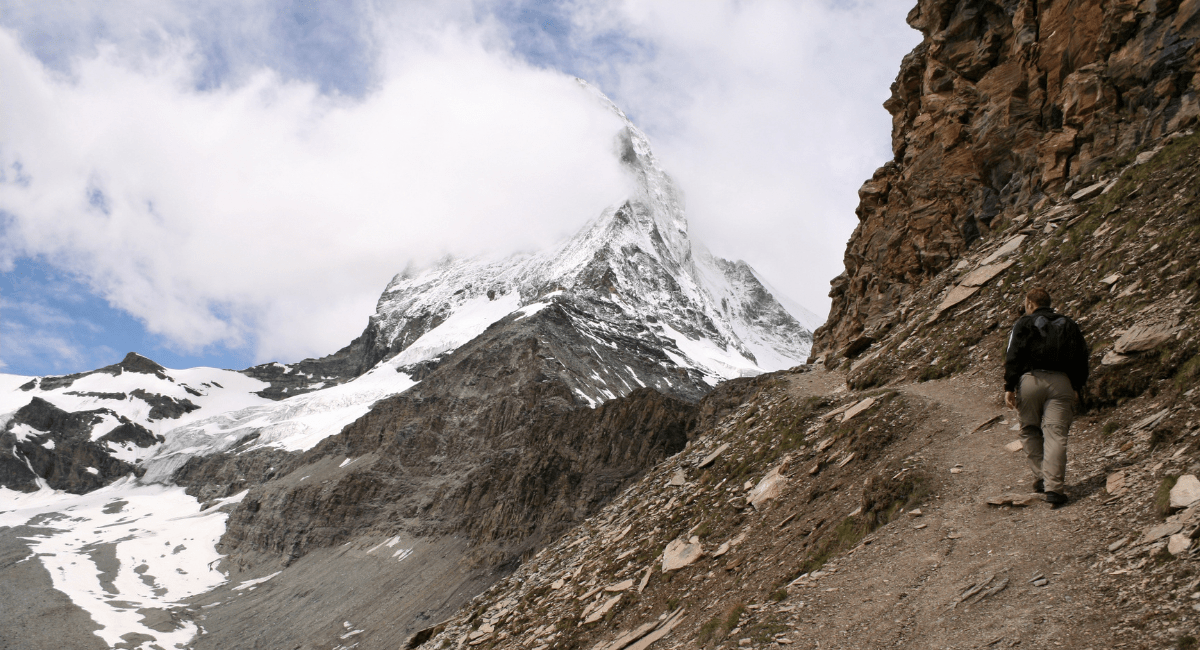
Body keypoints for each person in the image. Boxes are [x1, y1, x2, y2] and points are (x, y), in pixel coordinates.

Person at [1003, 287, 1089, 506]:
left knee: (1030, 429)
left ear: (1030, 304)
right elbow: (1081, 357)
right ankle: (1055, 490)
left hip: (1030, 381)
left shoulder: (1023, 323)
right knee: (1055, 434)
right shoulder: (1068, 324)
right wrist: (1077, 386)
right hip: (1062, 383)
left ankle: (1042, 476)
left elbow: (1013, 354)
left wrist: (1009, 387)